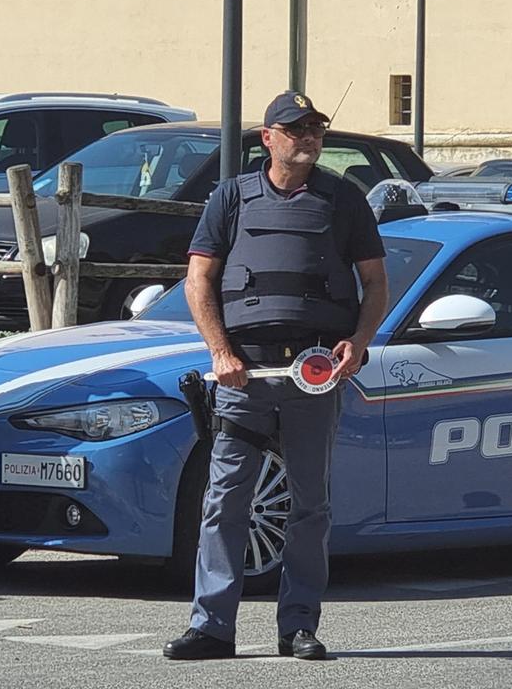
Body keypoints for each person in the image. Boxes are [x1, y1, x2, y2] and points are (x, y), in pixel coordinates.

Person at [163, 91, 388, 660]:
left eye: (315, 129)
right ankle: (212, 626)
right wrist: (220, 351)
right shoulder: (232, 196)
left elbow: (376, 283)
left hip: (312, 374)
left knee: (309, 503)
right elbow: (199, 281)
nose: (307, 137)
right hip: (245, 375)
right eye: (295, 129)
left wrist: (356, 347)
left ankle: (299, 627)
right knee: (225, 500)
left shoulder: (343, 199)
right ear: (268, 138)